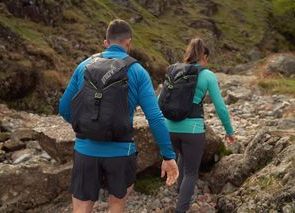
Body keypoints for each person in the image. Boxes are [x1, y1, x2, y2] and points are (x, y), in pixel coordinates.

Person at [59, 19, 179, 213]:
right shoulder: (137, 71)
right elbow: (155, 117)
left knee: (81, 206)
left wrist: (87, 126)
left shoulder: (84, 66)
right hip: (121, 152)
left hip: (85, 150)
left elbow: (64, 108)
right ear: (128, 43)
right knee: (116, 203)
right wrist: (168, 155)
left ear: (106, 42)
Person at [161, 38, 235, 213]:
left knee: (182, 155)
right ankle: (182, 208)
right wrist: (229, 131)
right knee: (191, 173)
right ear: (204, 56)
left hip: (169, 128)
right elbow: (221, 108)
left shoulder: (174, 70)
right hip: (192, 130)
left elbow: (160, 100)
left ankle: (181, 192)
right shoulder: (207, 74)